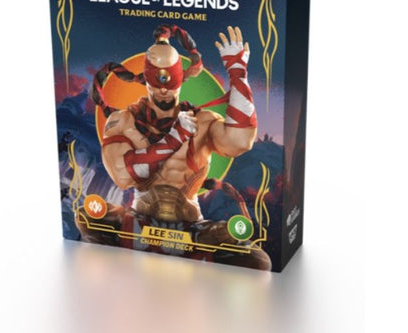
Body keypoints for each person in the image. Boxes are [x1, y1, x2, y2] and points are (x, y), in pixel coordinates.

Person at [76, 24, 271, 270]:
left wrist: (238, 72)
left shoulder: (203, 121)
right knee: (88, 217)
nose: (163, 90)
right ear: (145, 80)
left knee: (257, 261)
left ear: (182, 80)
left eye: (171, 83)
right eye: (156, 84)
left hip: (191, 227)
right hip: (138, 219)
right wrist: (175, 137)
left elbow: (241, 141)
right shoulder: (122, 121)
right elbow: (124, 176)